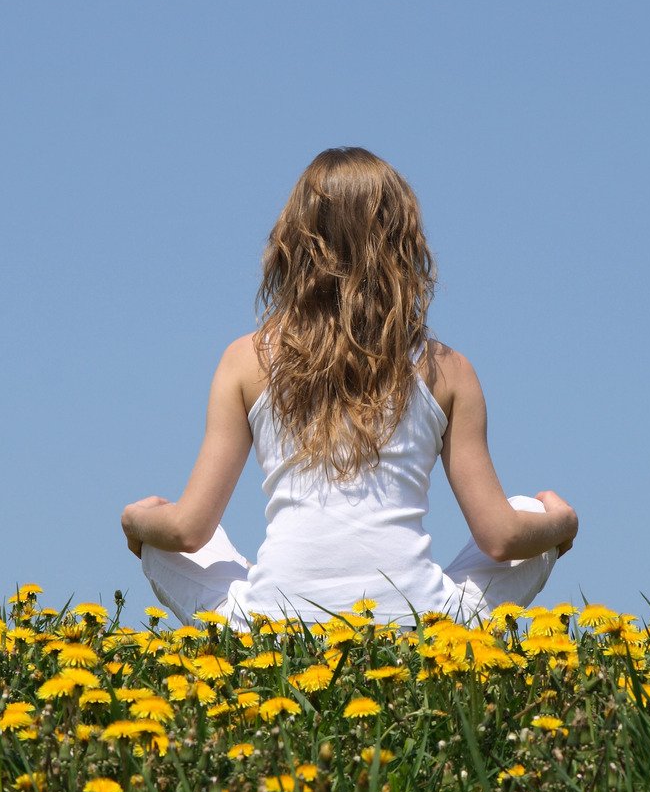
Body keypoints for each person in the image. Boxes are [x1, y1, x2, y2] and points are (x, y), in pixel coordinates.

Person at [120, 147, 578, 627]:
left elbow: (189, 531)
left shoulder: (244, 360)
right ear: (404, 244)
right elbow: (501, 538)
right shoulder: (449, 369)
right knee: (527, 511)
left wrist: (136, 522)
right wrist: (561, 522)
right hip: (420, 623)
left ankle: (272, 599)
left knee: (165, 533)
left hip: (271, 626)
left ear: (293, 243)